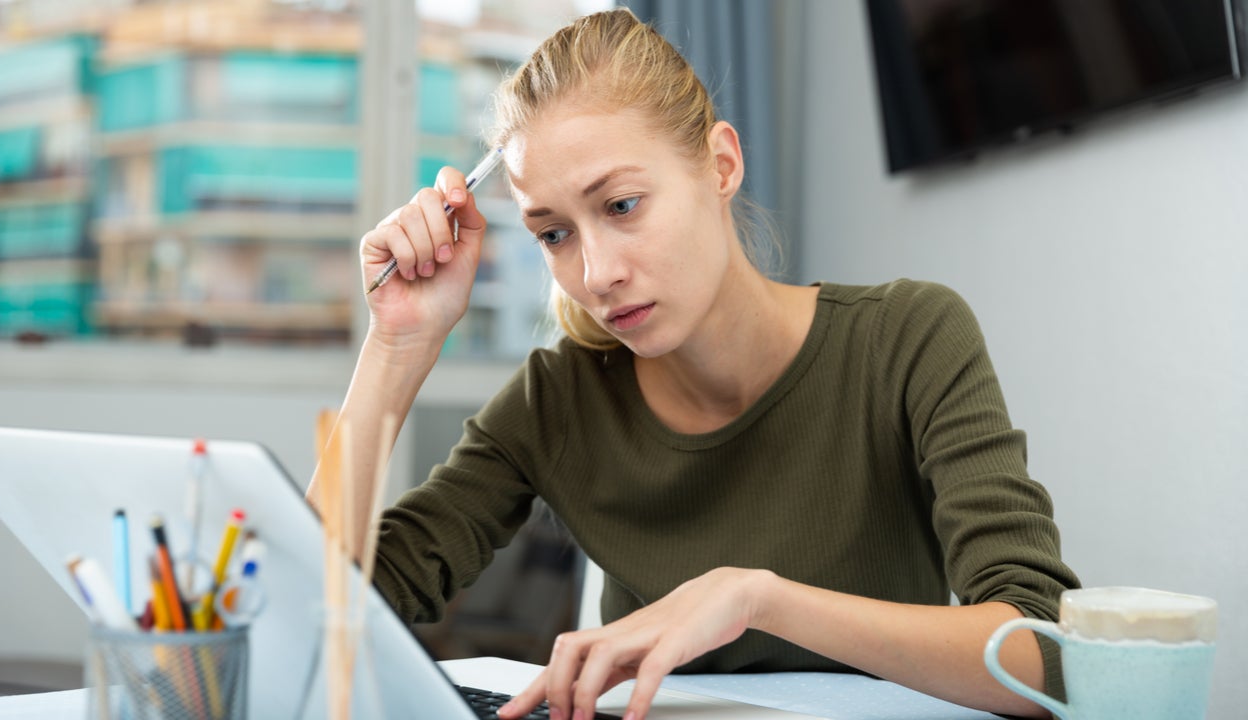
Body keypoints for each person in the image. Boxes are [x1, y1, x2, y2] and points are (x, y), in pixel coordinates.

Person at [306, 8, 1079, 720]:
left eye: (620, 206)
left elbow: (1047, 658)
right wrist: (398, 346)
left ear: (720, 164)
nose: (596, 271)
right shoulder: (558, 402)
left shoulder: (905, 339)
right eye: (553, 235)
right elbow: (308, 612)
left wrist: (755, 599)